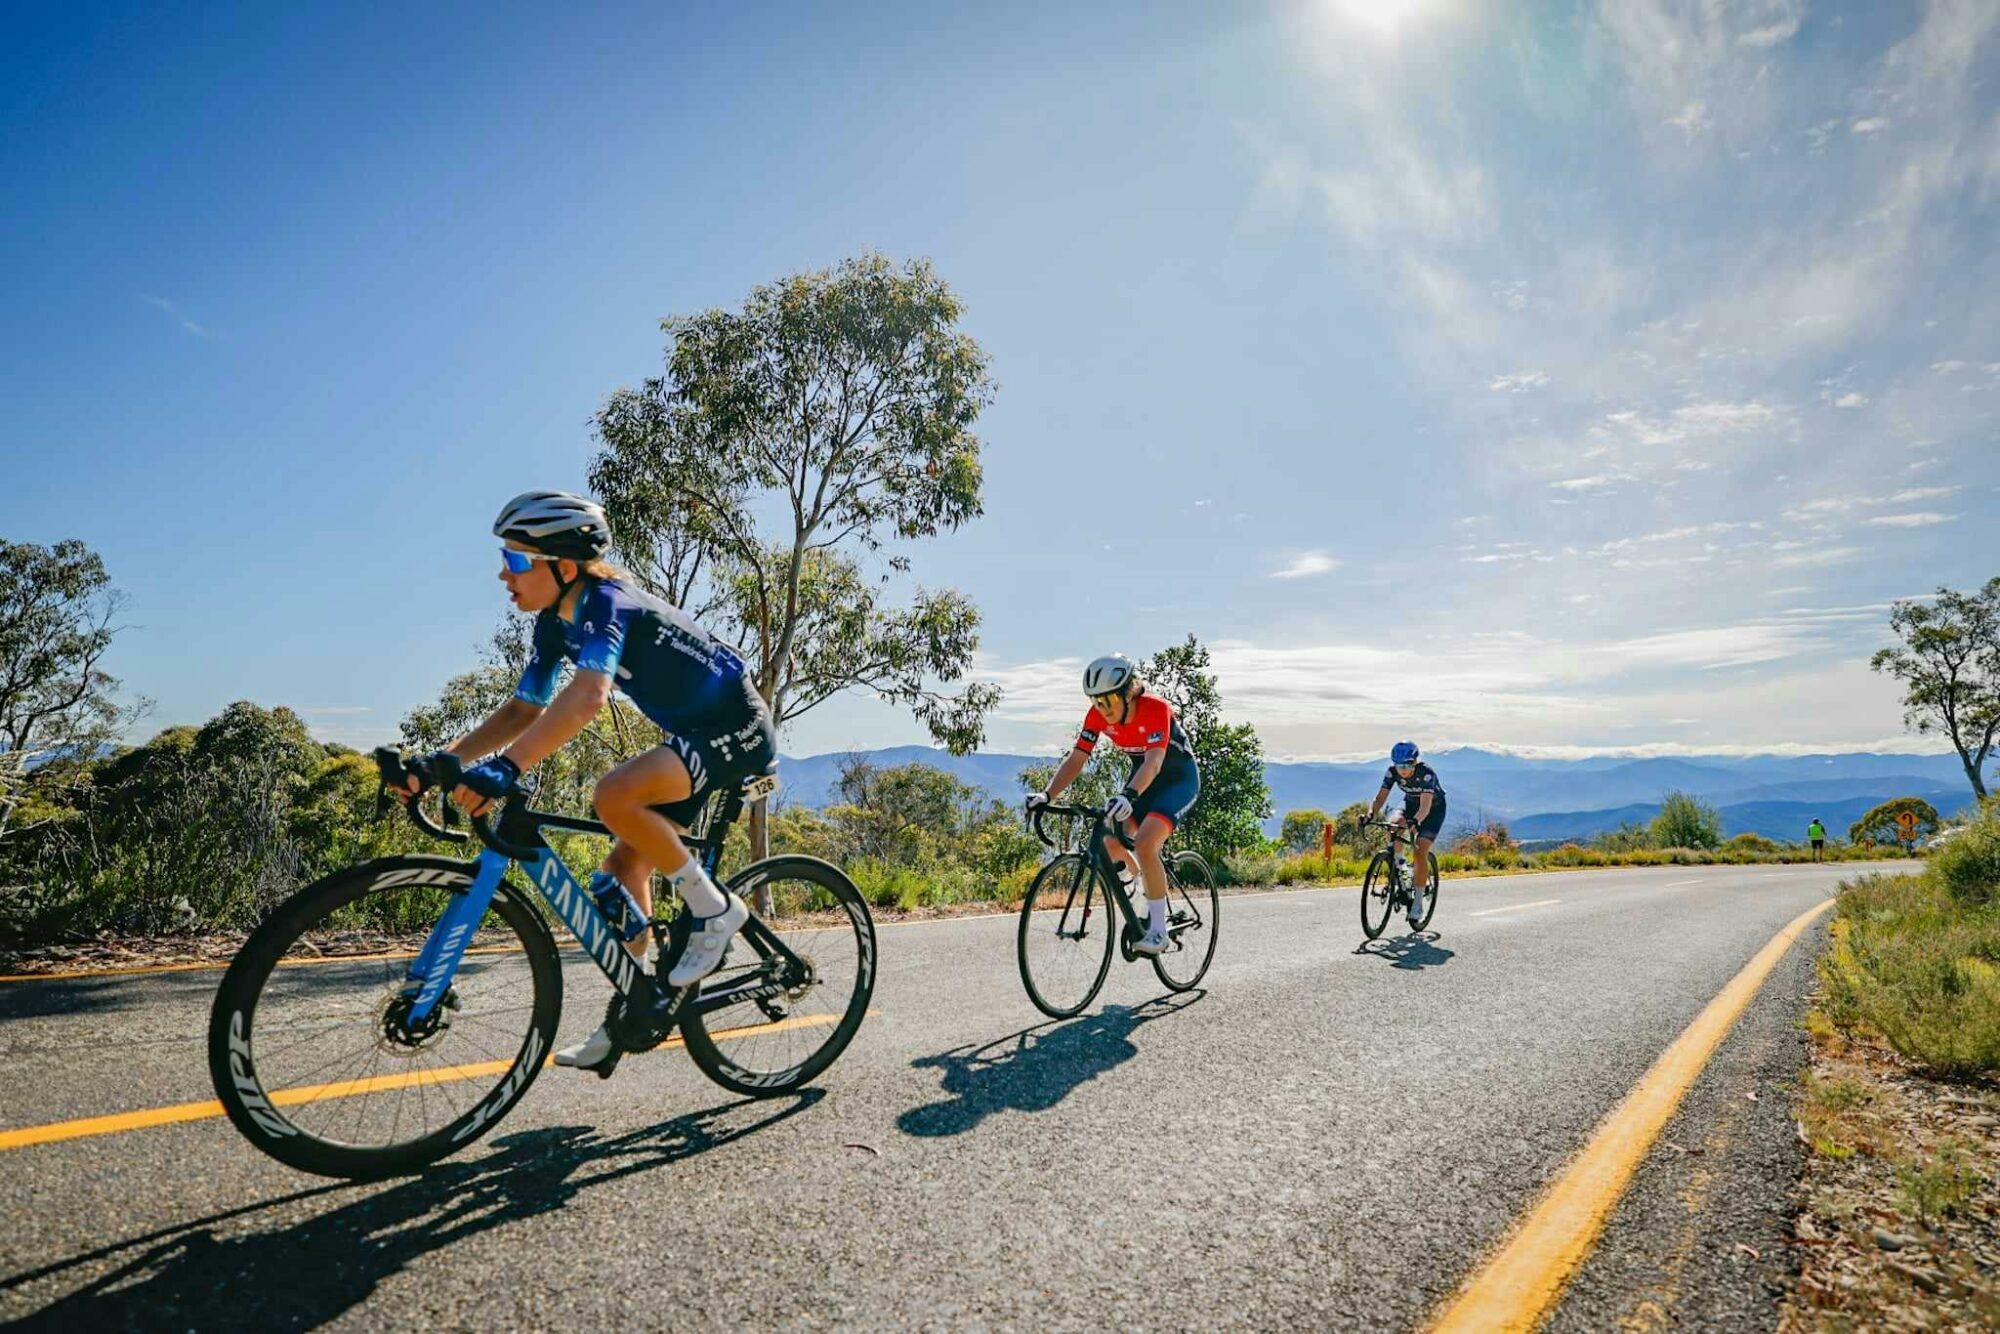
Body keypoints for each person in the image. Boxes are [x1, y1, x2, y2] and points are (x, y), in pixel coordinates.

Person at [404, 490, 776, 1073]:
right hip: (691, 736)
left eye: (519, 560)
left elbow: (587, 697)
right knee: (620, 875)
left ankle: (714, 910)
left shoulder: (607, 601)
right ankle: (634, 1008)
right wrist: (439, 762)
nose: (505, 572)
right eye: (507, 558)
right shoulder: (555, 625)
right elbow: (523, 711)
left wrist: (507, 767)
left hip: (735, 728)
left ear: (566, 567)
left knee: (613, 794)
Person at [1026, 654, 1200, 956]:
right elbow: (1077, 759)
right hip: (1141, 782)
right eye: (1095, 701)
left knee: (1145, 843)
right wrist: (1047, 795)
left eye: (1107, 699)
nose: (1101, 708)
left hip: (1176, 780)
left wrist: (1129, 795)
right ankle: (1133, 882)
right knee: (1108, 843)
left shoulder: (1155, 709)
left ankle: (1159, 932)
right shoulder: (1095, 717)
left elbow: (1155, 761)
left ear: (1128, 692)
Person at [1365, 741, 1447, 930]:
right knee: (1392, 826)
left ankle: (1417, 903)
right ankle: (1401, 865)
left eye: (1407, 765)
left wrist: (1416, 822)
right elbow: (1380, 799)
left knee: (1420, 851)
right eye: (1398, 765)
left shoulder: (1426, 773)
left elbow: (1425, 807)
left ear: (1415, 762)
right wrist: (1371, 813)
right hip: (1409, 805)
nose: (1402, 770)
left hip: (1433, 811)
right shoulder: (1392, 772)